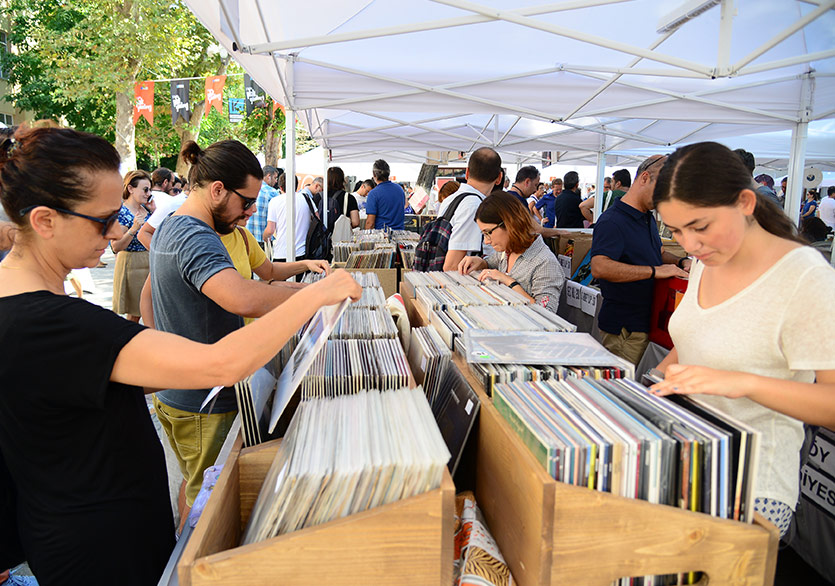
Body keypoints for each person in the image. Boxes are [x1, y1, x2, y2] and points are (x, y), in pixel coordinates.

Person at [0, 126, 362, 586]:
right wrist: (316, 295)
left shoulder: (23, 310)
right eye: (102, 219)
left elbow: (85, 387)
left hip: (78, 532)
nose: (116, 231)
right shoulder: (52, 323)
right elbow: (222, 364)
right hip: (102, 548)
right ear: (46, 221)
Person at [149, 139, 350, 522]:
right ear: (217, 190)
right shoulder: (195, 236)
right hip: (205, 401)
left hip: (180, 392)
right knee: (209, 503)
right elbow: (242, 297)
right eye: (246, 201)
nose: (251, 210)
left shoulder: (171, 227)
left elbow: (149, 298)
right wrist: (319, 296)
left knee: (193, 483)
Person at [648, 141, 835, 538]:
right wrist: (644, 391)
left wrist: (743, 383)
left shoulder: (805, 277)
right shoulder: (707, 259)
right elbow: (693, 343)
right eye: (676, 230)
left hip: (750, 485)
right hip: (682, 460)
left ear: (746, 202)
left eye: (699, 227)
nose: (690, 244)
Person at [589, 155, 690, 365]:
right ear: (644, 178)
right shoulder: (612, 221)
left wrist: (681, 262)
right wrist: (654, 271)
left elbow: (657, 252)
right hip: (625, 329)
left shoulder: (646, 217)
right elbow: (599, 267)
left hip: (645, 323)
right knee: (622, 390)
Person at [458, 191, 564, 313]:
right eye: (484, 234)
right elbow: (490, 263)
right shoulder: (508, 250)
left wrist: (509, 282)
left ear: (509, 224)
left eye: (488, 233)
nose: (486, 241)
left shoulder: (546, 263)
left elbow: (547, 314)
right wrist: (479, 262)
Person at [438, 147, 504, 271]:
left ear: (467, 172)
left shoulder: (451, 199)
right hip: (459, 284)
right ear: (499, 178)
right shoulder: (473, 206)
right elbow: (452, 265)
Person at [110, 170, 152, 322]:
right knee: (136, 312)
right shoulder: (122, 212)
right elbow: (115, 246)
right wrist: (133, 229)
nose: (148, 193)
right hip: (132, 263)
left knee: (147, 310)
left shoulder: (146, 209)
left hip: (148, 262)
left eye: (150, 189)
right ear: (130, 189)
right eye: (145, 189)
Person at [264, 173, 311, 263]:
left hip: (282, 252)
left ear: (281, 187)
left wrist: (265, 236)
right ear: (296, 186)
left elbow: (270, 230)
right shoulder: (306, 198)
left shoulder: (275, 201)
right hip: (303, 252)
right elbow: (316, 219)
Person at [245, 165, 280, 250]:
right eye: (275, 178)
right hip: (264, 239)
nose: (276, 181)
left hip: (247, 237)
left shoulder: (249, 189)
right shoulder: (273, 193)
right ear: (268, 176)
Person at [364, 159, 405, 230]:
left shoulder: (373, 193)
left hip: (382, 235)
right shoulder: (399, 189)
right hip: (400, 234)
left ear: (374, 174)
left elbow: (370, 223)